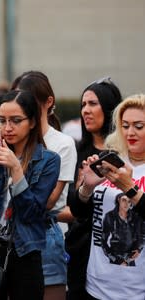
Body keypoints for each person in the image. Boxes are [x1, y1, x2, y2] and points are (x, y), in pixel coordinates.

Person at [0, 90, 60, 300]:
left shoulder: (49, 160)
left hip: (24, 249)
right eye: (1, 120)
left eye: (16, 121)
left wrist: (16, 170)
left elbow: (32, 213)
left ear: (33, 121)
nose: (7, 128)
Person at [72, 93, 145, 300]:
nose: (130, 132)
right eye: (125, 125)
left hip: (137, 289)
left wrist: (129, 188)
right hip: (95, 285)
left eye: (139, 126)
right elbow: (78, 212)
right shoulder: (112, 161)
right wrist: (86, 188)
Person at [13, 70, 77, 299]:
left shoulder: (62, 143)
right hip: (10, 236)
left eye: (29, 100)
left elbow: (48, 200)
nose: (22, 105)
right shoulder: (11, 139)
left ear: (48, 102)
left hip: (46, 233)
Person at [66, 76, 122, 299]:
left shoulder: (125, 156)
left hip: (119, 255)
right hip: (81, 252)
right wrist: (83, 189)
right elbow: (72, 205)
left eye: (93, 103)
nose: (85, 111)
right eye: (83, 105)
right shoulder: (76, 153)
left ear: (109, 107)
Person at [102, 192, 143, 266]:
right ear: (118, 200)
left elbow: (141, 234)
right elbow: (103, 241)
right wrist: (116, 259)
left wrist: (139, 249)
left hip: (130, 258)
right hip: (115, 257)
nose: (126, 203)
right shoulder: (110, 216)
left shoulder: (135, 217)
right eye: (124, 200)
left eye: (129, 201)